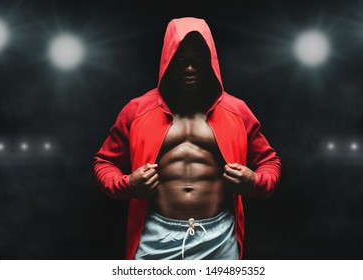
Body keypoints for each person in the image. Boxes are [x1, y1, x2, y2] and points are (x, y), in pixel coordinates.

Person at [93, 17, 281, 260]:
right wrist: (127, 185)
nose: (190, 69)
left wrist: (254, 181)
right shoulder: (137, 110)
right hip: (157, 236)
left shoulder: (237, 111)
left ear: (210, 61)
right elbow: (104, 163)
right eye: (181, 60)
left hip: (220, 237)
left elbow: (270, 162)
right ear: (167, 61)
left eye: (198, 60)